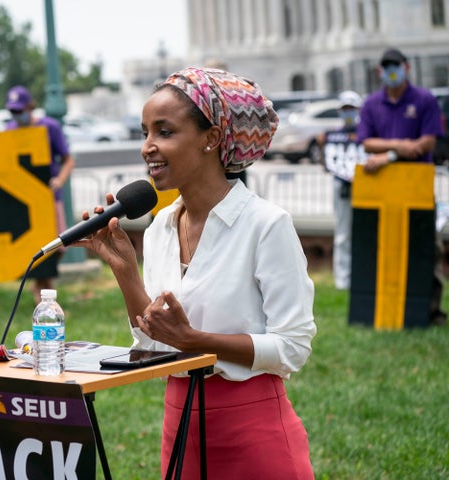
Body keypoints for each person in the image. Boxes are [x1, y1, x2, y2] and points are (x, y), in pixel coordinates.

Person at [77, 67, 316, 478]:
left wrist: (195, 341)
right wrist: (125, 272)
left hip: (252, 426)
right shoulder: (159, 229)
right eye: (144, 132)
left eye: (164, 132)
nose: (147, 147)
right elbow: (155, 345)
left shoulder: (265, 225)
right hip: (180, 422)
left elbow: (293, 347)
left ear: (211, 139)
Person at [356, 47, 446, 325]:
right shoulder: (372, 103)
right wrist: (399, 146)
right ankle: (381, 306)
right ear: (380, 72)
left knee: (425, 247)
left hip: (415, 184)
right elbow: (366, 141)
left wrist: (389, 156)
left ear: (407, 68)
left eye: (396, 66)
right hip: (381, 186)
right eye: (386, 67)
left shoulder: (424, 99)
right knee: (382, 246)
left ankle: (430, 310)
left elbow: (426, 144)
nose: (391, 72)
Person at [0, 85, 75, 304]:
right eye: (13, 112)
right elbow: (2, 170)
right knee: (33, 245)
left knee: (59, 245)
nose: (17, 115)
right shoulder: (9, 131)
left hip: (48, 197)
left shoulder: (50, 127)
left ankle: (41, 287)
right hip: (21, 200)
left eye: (20, 110)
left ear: (30, 107)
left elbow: (67, 159)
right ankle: (43, 289)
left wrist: (59, 180)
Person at [318, 90, 366, 290]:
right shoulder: (331, 135)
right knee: (343, 233)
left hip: (365, 184)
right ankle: (343, 280)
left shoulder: (367, 133)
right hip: (342, 186)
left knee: (364, 232)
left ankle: (362, 275)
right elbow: (326, 162)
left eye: (352, 109)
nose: (348, 113)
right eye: (345, 109)